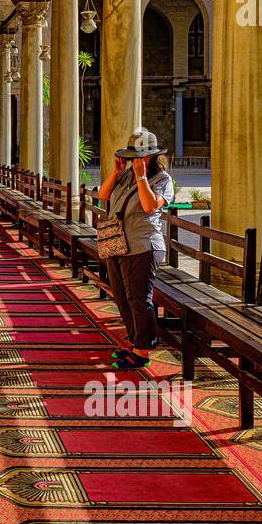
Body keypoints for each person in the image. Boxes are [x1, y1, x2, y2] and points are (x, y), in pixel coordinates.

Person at [97, 129, 174, 371]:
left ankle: (143, 350)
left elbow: (150, 206)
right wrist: (116, 171)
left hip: (143, 246)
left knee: (139, 299)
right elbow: (103, 195)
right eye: (132, 156)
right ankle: (134, 342)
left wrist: (142, 178)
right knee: (122, 297)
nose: (135, 160)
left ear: (151, 156)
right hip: (117, 243)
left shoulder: (162, 180)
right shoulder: (125, 174)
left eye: (140, 156)